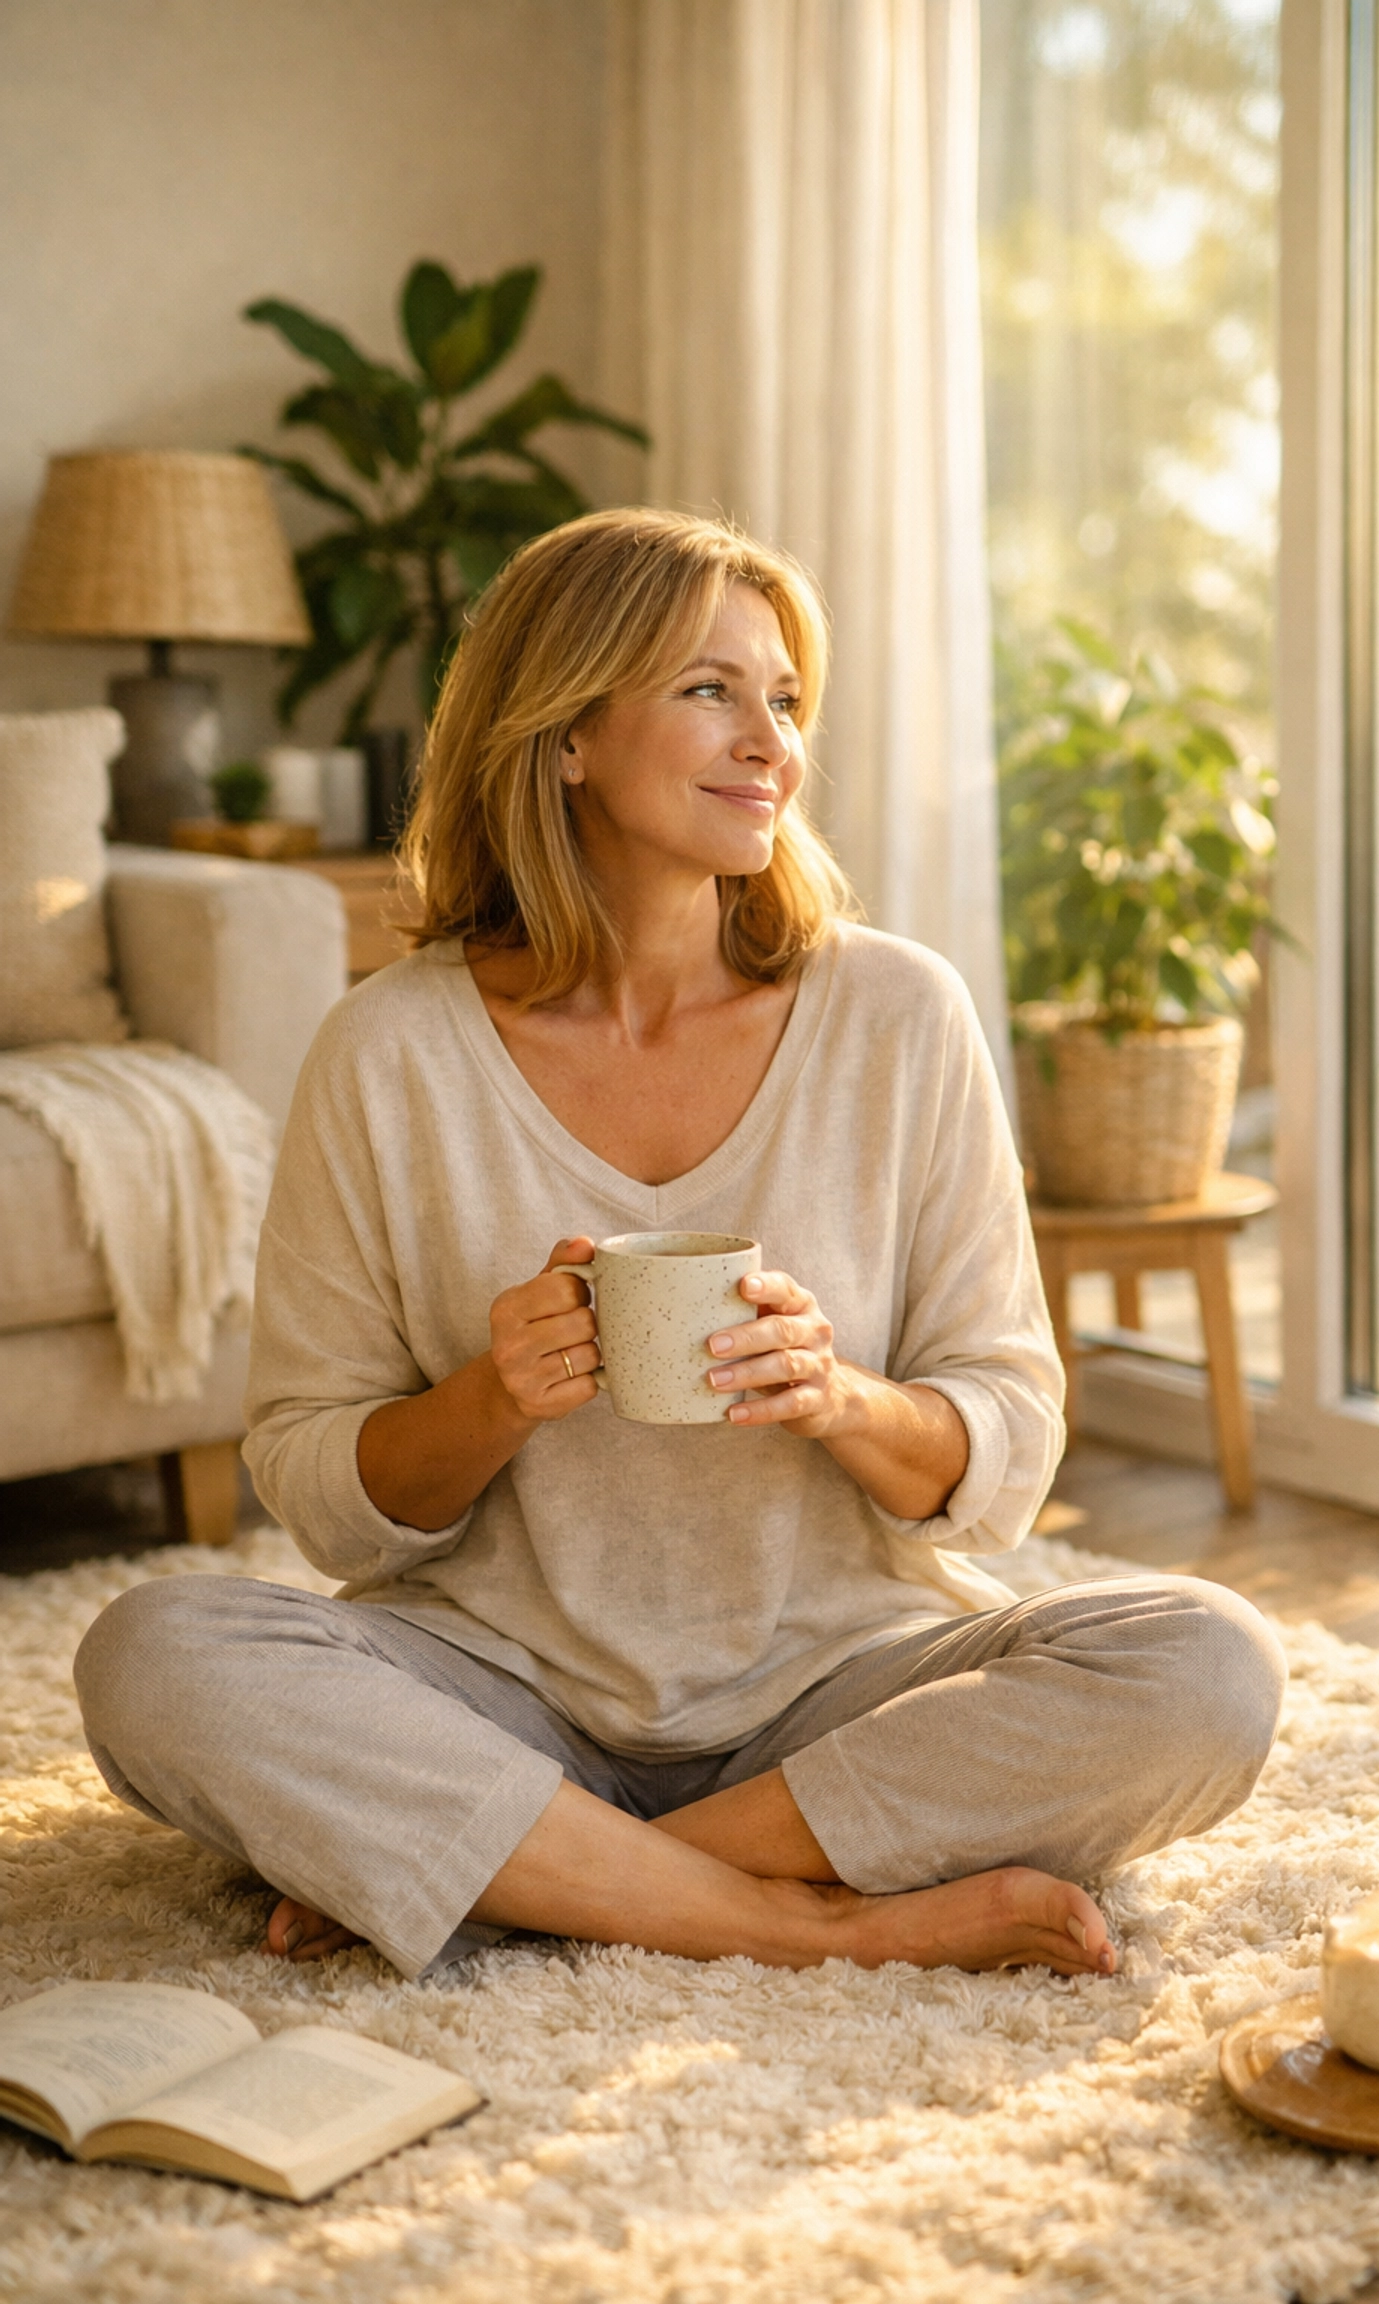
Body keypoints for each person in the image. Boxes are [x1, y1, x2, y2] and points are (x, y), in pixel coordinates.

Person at [75, 509, 1286, 1985]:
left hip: (837, 1689)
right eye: (711, 691)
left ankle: (536, 1869)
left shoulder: (900, 1016)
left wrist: (841, 1399)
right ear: (565, 735)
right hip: (496, 1687)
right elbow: (319, 1489)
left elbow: (1011, 1441)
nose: (772, 744)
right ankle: (800, 1914)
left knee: (1211, 1666)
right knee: (152, 1656)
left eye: (785, 699)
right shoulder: (387, 1051)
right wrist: (490, 1399)